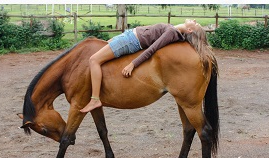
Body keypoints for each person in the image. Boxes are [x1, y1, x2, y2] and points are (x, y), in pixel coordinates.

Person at [80, 19, 209, 113]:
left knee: (94, 60)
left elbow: (153, 48)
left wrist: (132, 64)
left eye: (196, 24)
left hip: (130, 41)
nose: (195, 20)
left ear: (190, 30)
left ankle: (95, 99)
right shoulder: (173, 30)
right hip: (129, 36)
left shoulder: (171, 32)